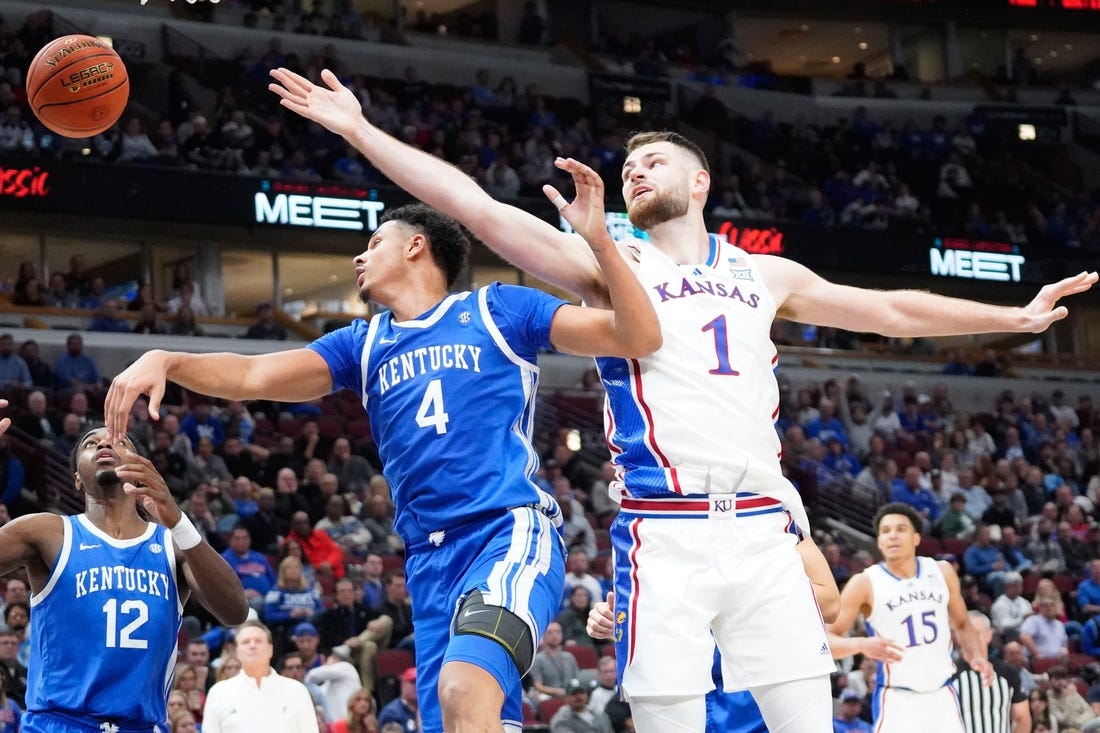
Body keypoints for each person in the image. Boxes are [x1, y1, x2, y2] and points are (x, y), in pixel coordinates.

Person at [264, 66, 1096, 732]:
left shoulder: (762, 272)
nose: (633, 168)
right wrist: (359, 130)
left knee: (804, 716)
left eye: (651, 159)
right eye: (628, 164)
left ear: (701, 180)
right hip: (663, 530)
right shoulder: (605, 265)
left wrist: (1012, 316)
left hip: (766, 524)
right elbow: (474, 210)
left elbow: (888, 311)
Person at [105, 185, 661, 733]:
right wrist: (169, 357)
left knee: (462, 688)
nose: (359, 256)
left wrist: (602, 251)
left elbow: (633, 335)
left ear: (416, 246)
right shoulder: (362, 345)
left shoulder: (498, 310)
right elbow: (253, 376)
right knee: (464, 718)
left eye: (373, 242)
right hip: (426, 561)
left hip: (505, 533)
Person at [0, 425, 249, 732]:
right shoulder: (47, 532)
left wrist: (178, 521)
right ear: (77, 478)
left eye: (118, 441)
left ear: (140, 468)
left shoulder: (172, 544)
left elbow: (236, 611)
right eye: (91, 444)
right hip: (59, 722)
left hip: (141, 725)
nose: (104, 443)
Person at [826, 503, 992, 733]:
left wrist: (977, 656)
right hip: (898, 700)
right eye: (885, 531)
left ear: (916, 538)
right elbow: (825, 639)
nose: (892, 535)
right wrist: (861, 644)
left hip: (943, 695)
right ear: (879, 542)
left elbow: (963, 624)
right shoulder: (864, 583)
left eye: (900, 529)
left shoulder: (942, 571)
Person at [202, 619, 319, 732]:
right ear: (237, 651)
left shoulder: (297, 691)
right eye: (246, 642)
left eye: (258, 641)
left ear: (270, 649)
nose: (252, 646)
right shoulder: (219, 693)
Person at [953, 611, 1030, 733]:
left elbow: (1022, 718)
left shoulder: (1007, 673)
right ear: (957, 636)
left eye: (976, 633)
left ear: (989, 635)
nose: (970, 639)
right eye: (965, 634)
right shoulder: (949, 674)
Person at [549, 679, 613, 733]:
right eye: (574, 694)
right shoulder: (561, 720)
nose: (578, 697)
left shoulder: (601, 716)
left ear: (587, 696)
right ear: (567, 698)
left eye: (581, 693)